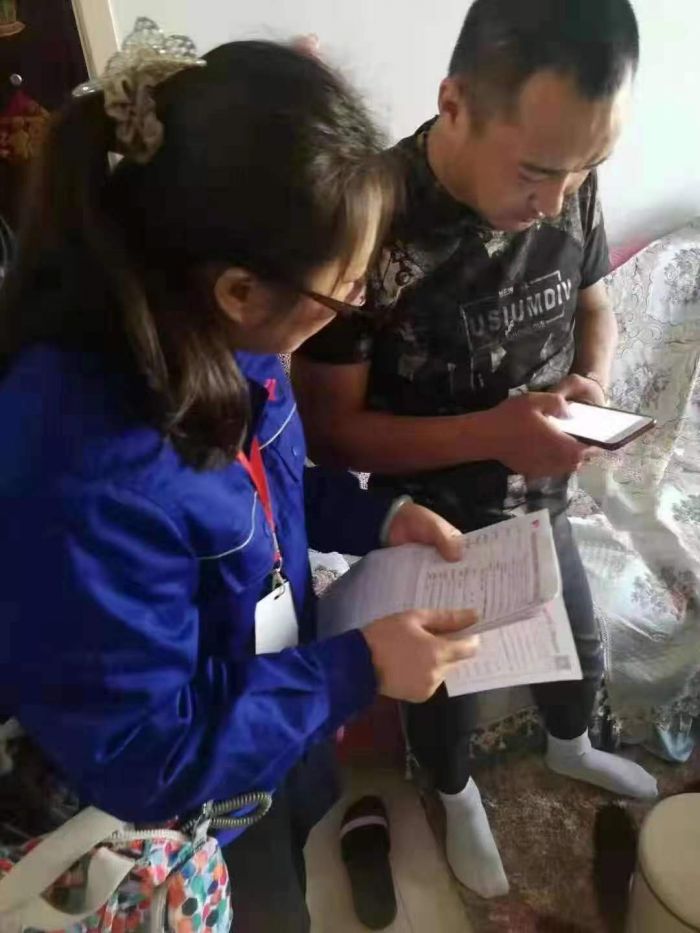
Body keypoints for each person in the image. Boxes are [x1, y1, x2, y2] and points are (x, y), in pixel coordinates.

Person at [0, 27, 481, 932]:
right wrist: (358, 666)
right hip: (169, 811)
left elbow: (268, 483)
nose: (358, 304)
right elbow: (141, 748)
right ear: (239, 289)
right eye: (344, 292)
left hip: (260, 720)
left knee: (290, 845)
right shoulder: (86, 468)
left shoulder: (222, 335)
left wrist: (380, 518)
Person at [292, 0, 658, 900]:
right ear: (454, 103)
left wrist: (592, 383)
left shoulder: (567, 168)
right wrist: (493, 432)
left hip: (542, 498)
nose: (558, 200)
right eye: (536, 172)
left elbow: (595, 303)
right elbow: (330, 431)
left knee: (576, 646)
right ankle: (453, 795)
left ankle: (571, 745)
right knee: (443, 689)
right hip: (424, 523)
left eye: (585, 169)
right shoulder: (370, 219)